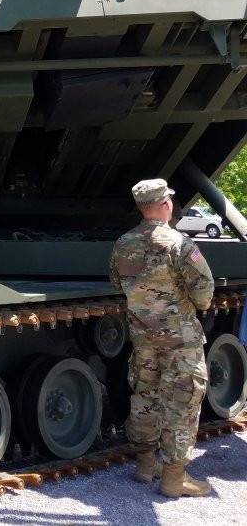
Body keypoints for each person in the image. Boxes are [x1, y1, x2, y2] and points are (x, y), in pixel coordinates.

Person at [109, 178, 214, 498]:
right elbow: (204, 292)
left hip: (143, 336)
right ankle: (173, 478)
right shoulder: (179, 244)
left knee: (145, 396)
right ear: (166, 204)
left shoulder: (123, 243)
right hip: (180, 340)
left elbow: (117, 282)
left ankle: (145, 465)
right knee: (183, 401)